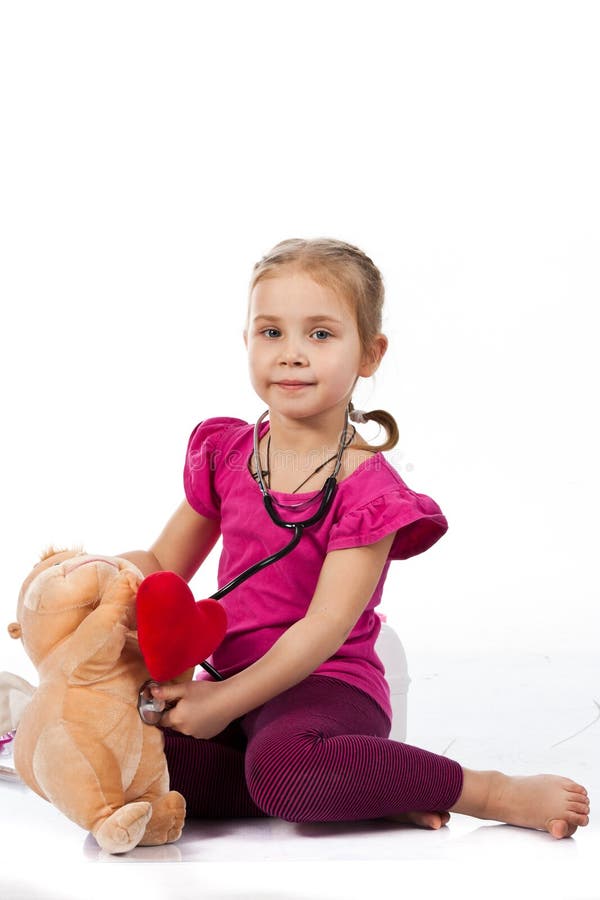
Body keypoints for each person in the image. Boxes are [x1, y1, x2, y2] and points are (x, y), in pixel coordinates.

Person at [121, 237, 589, 838]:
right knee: (131, 749)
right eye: (271, 333)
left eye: (320, 334)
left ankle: (485, 790)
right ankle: (364, 787)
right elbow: (161, 562)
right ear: (246, 342)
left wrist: (223, 703)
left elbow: (323, 629)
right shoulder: (227, 454)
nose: (292, 355)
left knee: (287, 765)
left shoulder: (368, 491)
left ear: (370, 354)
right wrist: (90, 582)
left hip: (324, 686)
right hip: (228, 687)